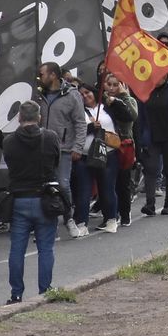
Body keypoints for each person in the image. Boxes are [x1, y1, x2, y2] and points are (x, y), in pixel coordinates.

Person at [4, 101, 59, 304]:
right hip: (44, 198)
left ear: (19, 117)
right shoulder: (50, 137)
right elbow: (55, 163)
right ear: (39, 117)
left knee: (17, 249)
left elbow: (9, 165)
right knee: (46, 248)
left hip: (19, 198)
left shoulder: (9, 141)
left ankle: (16, 293)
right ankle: (45, 290)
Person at [37, 61, 86, 236]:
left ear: (53, 75)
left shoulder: (72, 95)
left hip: (63, 148)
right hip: (42, 148)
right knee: (43, 186)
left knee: (63, 185)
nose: (39, 78)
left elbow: (80, 122)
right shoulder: (39, 95)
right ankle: (48, 224)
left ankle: (69, 219)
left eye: (42, 74)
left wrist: (78, 147)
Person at [135, 71, 168, 216]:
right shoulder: (145, 93)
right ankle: (150, 204)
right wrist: (141, 139)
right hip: (151, 138)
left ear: (165, 76)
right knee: (151, 169)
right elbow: (141, 118)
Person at [78, 82, 119, 234]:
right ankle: (82, 223)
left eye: (87, 92)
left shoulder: (107, 107)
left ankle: (111, 219)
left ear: (94, 92)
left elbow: (128, 116)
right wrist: (90, 127)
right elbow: (75, 131)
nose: (85, 96)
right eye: (81, 94)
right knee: (84, 191)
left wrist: (117, 100)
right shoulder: (78, 111)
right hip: (84, 157)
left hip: (108, 154)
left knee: (107, 188)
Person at [100, 74, 138, 226]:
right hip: (106, 144)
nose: (112, 88)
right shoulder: (102, 100)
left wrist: (122, 97)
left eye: (116, 85)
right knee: (108, 182)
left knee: (123, 182)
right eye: (109, 84)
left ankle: (125, 213)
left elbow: (133, 116)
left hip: (123, 145)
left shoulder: (128, 100)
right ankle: (111, 214)